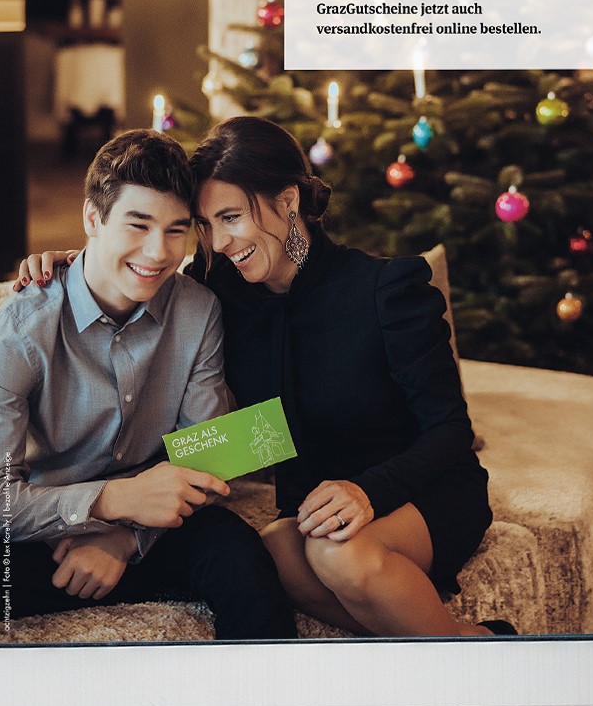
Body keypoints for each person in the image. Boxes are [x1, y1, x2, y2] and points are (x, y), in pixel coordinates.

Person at [188, 116, 505, 638]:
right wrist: (71, 269)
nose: (220, 241)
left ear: (288, 201)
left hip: (422, 490)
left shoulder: (386, 289)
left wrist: (366, 491)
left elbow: (450, 430)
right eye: (207, 224)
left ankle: (480, 669)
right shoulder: (221, 295)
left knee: (337, 556)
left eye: (231, 217)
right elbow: (134, 282)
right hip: (317, 510)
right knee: (272, 550)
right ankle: (478, 639)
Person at [0, 129, 293, 641]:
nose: (157, 253)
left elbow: (208, 455)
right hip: (44, 522)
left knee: (244, 563)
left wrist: (126, 538)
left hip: (160, 520)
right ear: (93, 218)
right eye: (138, 224)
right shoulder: (23, 327)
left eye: (177, 230)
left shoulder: (198, 310)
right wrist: (113, 502)